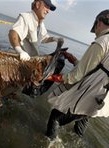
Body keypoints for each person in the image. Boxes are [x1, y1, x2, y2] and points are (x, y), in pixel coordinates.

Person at [45, 9, 109, 140]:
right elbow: (97, 68)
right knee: (85, 115)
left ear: (98, 23)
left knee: (56, 116)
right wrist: (74, 59)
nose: (95, 34)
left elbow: (76, 76)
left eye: (95, 29)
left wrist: (49, 76)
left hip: (92, 92)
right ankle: (77, 139)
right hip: (102, 96)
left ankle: (48, 144)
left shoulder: (102, 41)